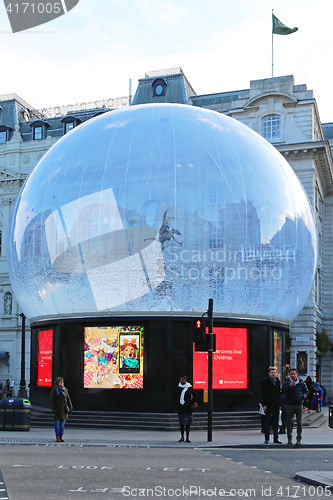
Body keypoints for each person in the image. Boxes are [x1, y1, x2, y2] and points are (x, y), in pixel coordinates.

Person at [281, 368, 309, 446]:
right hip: (289, 404)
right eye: (291, 374)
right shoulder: (287, 383)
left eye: (294, 374)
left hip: (299, 404)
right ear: (289, 375)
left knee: (299, 422)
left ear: (297, 374)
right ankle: (289, 438)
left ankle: (299, 438)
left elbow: (306, 391)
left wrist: (303, 396)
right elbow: (282, 391)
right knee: (289, 422)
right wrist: (289, 386)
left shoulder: (301, 382)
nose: (292, 376)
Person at [260, 366, 282, 444]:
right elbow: (263, 394)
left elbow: (278, 394)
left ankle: (276, 438)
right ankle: (267, 438)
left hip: (275, 404)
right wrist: (264, 405)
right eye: (272, 372)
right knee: (267, 422)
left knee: (275, 422)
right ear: (269, 373)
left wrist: (279, 404)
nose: (273, 374)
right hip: (268, 404)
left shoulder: (277, 381)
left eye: (274, 372)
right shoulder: (265, 381)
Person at [174, 375, 198, 443]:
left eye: (183, 380)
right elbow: (174, 397)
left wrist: (190, 402)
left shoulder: (189, 388)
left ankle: (187, 437)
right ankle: (182, 437)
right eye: (181, 380)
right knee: (181, 424)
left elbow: (196, 396)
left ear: (186, 380)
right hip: (181, 408)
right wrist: (177, 404)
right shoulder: (178, 388)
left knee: (187, 424)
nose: (182, 381)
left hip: (188, 408)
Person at [50, 376, 73, 442]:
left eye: (62, 382)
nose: (62, 383)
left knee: (62, 425)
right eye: (60, 382)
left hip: (64, 409)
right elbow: (52, 400)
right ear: (57, 383)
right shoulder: (54, 390)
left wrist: (70, 406)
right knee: (57, 424)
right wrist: (53, 408)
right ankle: (57, 437)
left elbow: (68, 399)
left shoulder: (65, 390)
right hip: (57, 410)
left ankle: (61, 436)